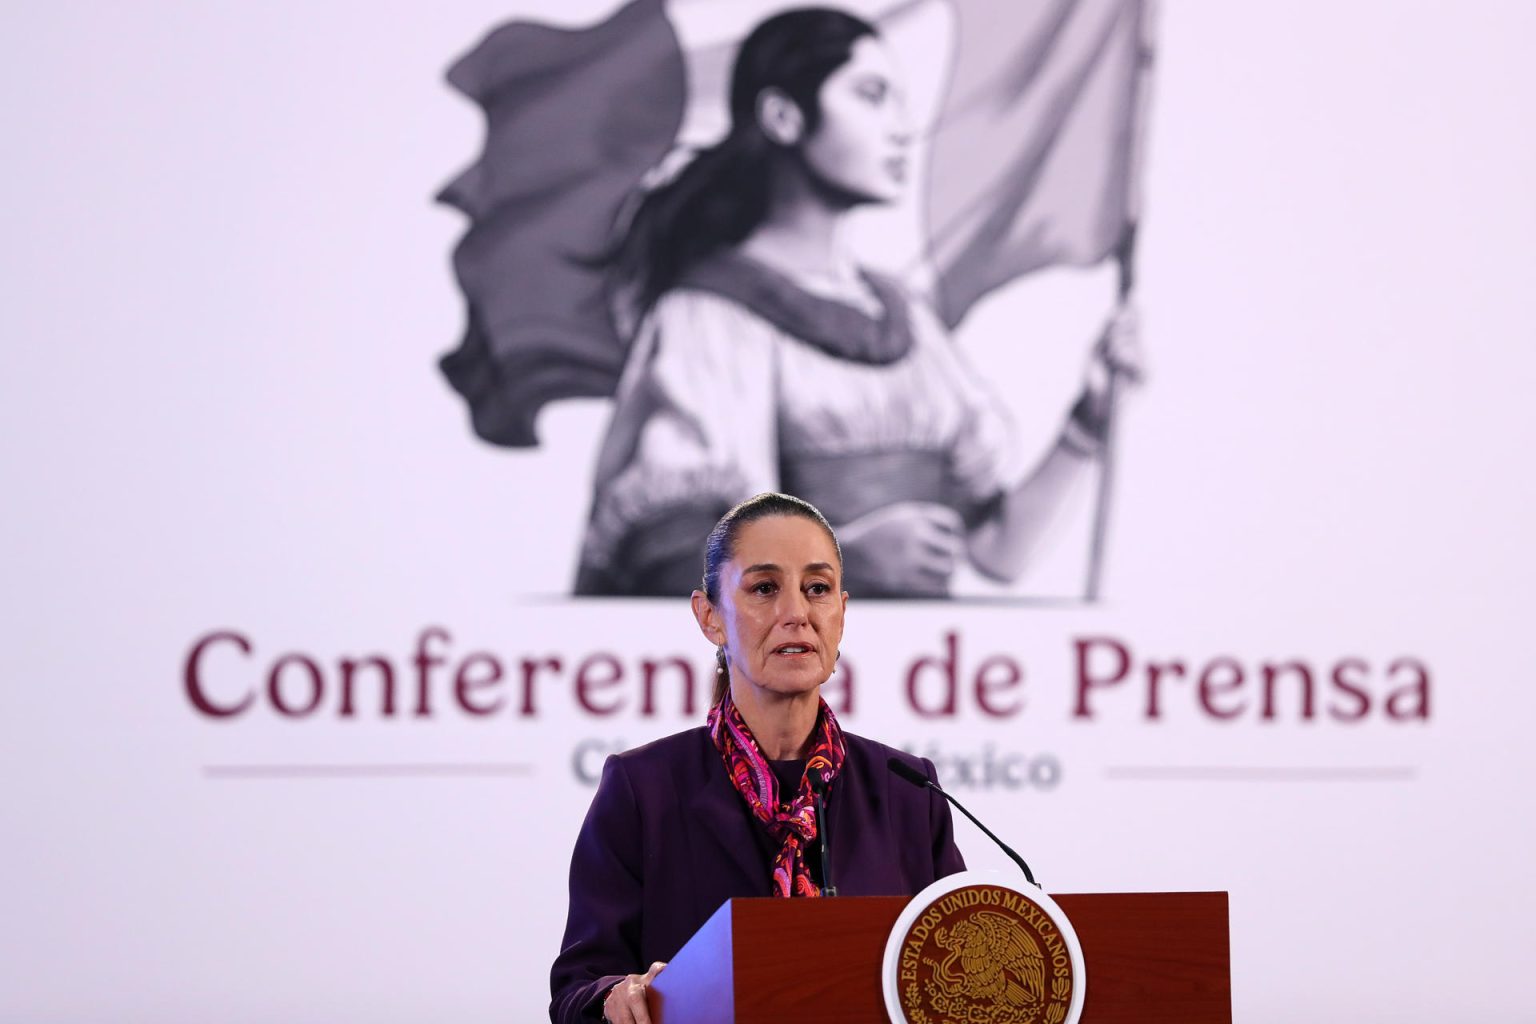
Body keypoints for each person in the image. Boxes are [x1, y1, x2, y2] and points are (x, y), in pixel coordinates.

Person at [575, 7, 1141, 599]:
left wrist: (1088, 420)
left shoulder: (906, 320)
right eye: (871, 96)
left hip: (921, 677)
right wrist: (837, 562)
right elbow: (667, 562)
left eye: (899, 101)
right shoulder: (707, 317)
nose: (902, 128)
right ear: (783, 117)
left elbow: (999, 552)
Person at [550, 493, 966, 1024]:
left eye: (817, 589)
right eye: (765, 589)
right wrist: (616, 997)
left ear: (841, 612)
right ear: (710, 618)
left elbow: (958, 965)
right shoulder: (643, 788)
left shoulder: (908, 791)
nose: (796, 614)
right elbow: (575, 992)